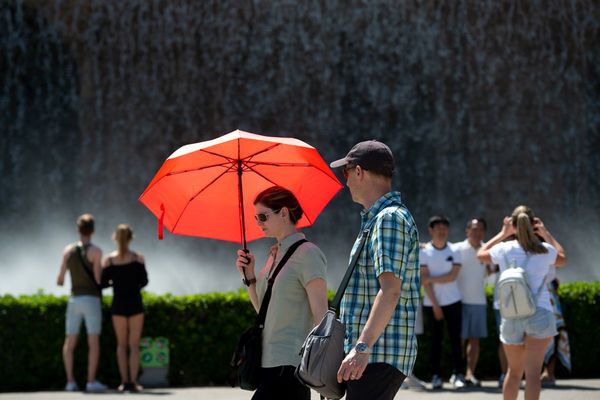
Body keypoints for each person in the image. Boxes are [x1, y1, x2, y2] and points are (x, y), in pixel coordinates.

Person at [329, 140, 420, 400]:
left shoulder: (388, 219)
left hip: (377, 355)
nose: (345, 182)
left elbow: (390, 291)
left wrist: (361, 347)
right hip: (375, 354)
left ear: (359, 172)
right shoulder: (380, 219)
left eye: (346, 173)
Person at [235, 186, 329, 400]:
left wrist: (321, 369)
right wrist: (250, 278)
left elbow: (321, 315)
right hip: (268, 363)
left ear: (284, 213)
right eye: (256, 217)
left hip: (289, 366)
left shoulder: (309, 254)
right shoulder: (274, 256)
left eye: (263, 216)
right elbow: (264, 313)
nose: (258, 223)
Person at [477, 205, 566, 400]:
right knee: (533, 374)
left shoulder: (504, 249)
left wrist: (502, 233)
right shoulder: (544, 250)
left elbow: (481, 254)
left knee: (514, 372)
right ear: (533, 224)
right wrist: (546, 233)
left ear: (514, 226)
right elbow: (562, 259)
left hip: (512, 314)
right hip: (540, 312)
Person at [56, 213, 107, 393]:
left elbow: (60, 279)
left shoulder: (68, 251)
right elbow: (98, 279)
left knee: (70, 342)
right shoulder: (96, 251)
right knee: (93, 342)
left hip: (74, 299)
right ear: (92, 230)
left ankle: (70, 381)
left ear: (78, 230)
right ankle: (90, 381)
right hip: (91, 300)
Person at [101, 224, 149, 393]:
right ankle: (134, 382)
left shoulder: (109, 260)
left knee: (121, 345)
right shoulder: (138, 258)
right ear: (131, 238)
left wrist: (116, 281)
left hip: (118, 304)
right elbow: (144, 282)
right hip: (135, 302)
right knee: (134, 345)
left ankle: (124, 382)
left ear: (115, 238)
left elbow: (103, 283)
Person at [420, 215, 465, 390]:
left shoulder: (454, 250)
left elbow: (453, 276)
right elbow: (424, 280)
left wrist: (430, 279)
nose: (441, 231)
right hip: (432, 304)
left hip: (453, 301)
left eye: (444, 228)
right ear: (431, 230)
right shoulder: (424, 251)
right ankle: (436, 375)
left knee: (456, 339)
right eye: (438, 228)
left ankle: (458, 374)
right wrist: (436, 305)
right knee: (435, 341)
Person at [454, 217, 489, 387]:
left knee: (475, 340)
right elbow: (438, 250)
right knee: (459, 340)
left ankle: (470, 374)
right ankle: (458, 373)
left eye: (480, 229)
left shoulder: (487, 249)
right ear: (467, 231)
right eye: (474, 229)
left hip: (479, 301)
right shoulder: (457, 248)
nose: (477, 232)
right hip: (459, 300)